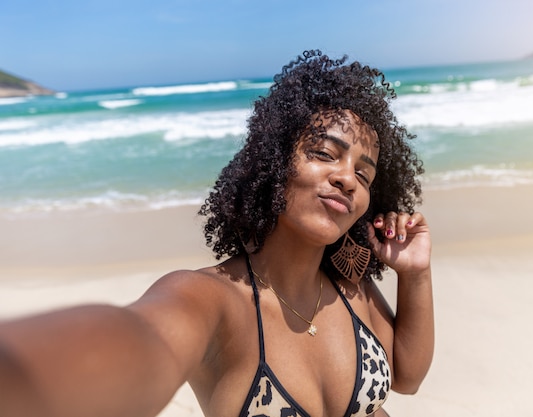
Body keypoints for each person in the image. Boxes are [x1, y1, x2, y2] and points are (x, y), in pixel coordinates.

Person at [0, 50, 434, 417]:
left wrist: (415, 274)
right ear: (274, 162)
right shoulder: (212, 300)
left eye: (364, 173)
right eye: (324, 154)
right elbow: (133, 339)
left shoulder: (350, 285)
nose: (347, 179)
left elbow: (407, 377)